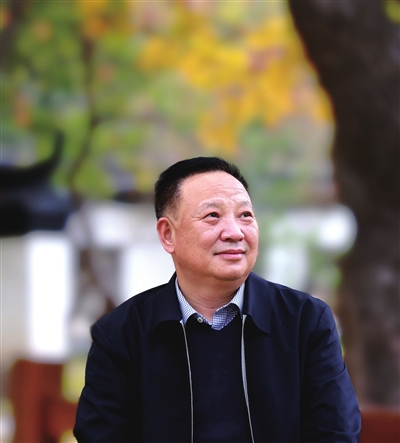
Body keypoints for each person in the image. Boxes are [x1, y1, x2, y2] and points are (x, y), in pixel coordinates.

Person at [74, 157, 361, 443]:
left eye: (245, 215)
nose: (235, 232)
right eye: (213, 215)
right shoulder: (120, 336)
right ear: (168, 234)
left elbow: (336, 435)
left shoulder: (306, 322)